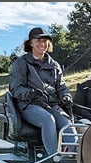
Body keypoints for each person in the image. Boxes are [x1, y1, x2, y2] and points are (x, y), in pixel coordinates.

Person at [9, 27, 75, 155]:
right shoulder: (21, 63)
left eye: (44, 41)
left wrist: (66, 96)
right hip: (29, 105)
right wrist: (30, 93)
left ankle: (72, 159)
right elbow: (15, 88)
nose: (42, 44)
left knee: (68, 124)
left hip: (52, 104)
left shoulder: (54, 65)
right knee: (48, 120)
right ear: (30, 43)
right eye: (38, 40)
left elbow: (61, 87)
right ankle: (54, 158)